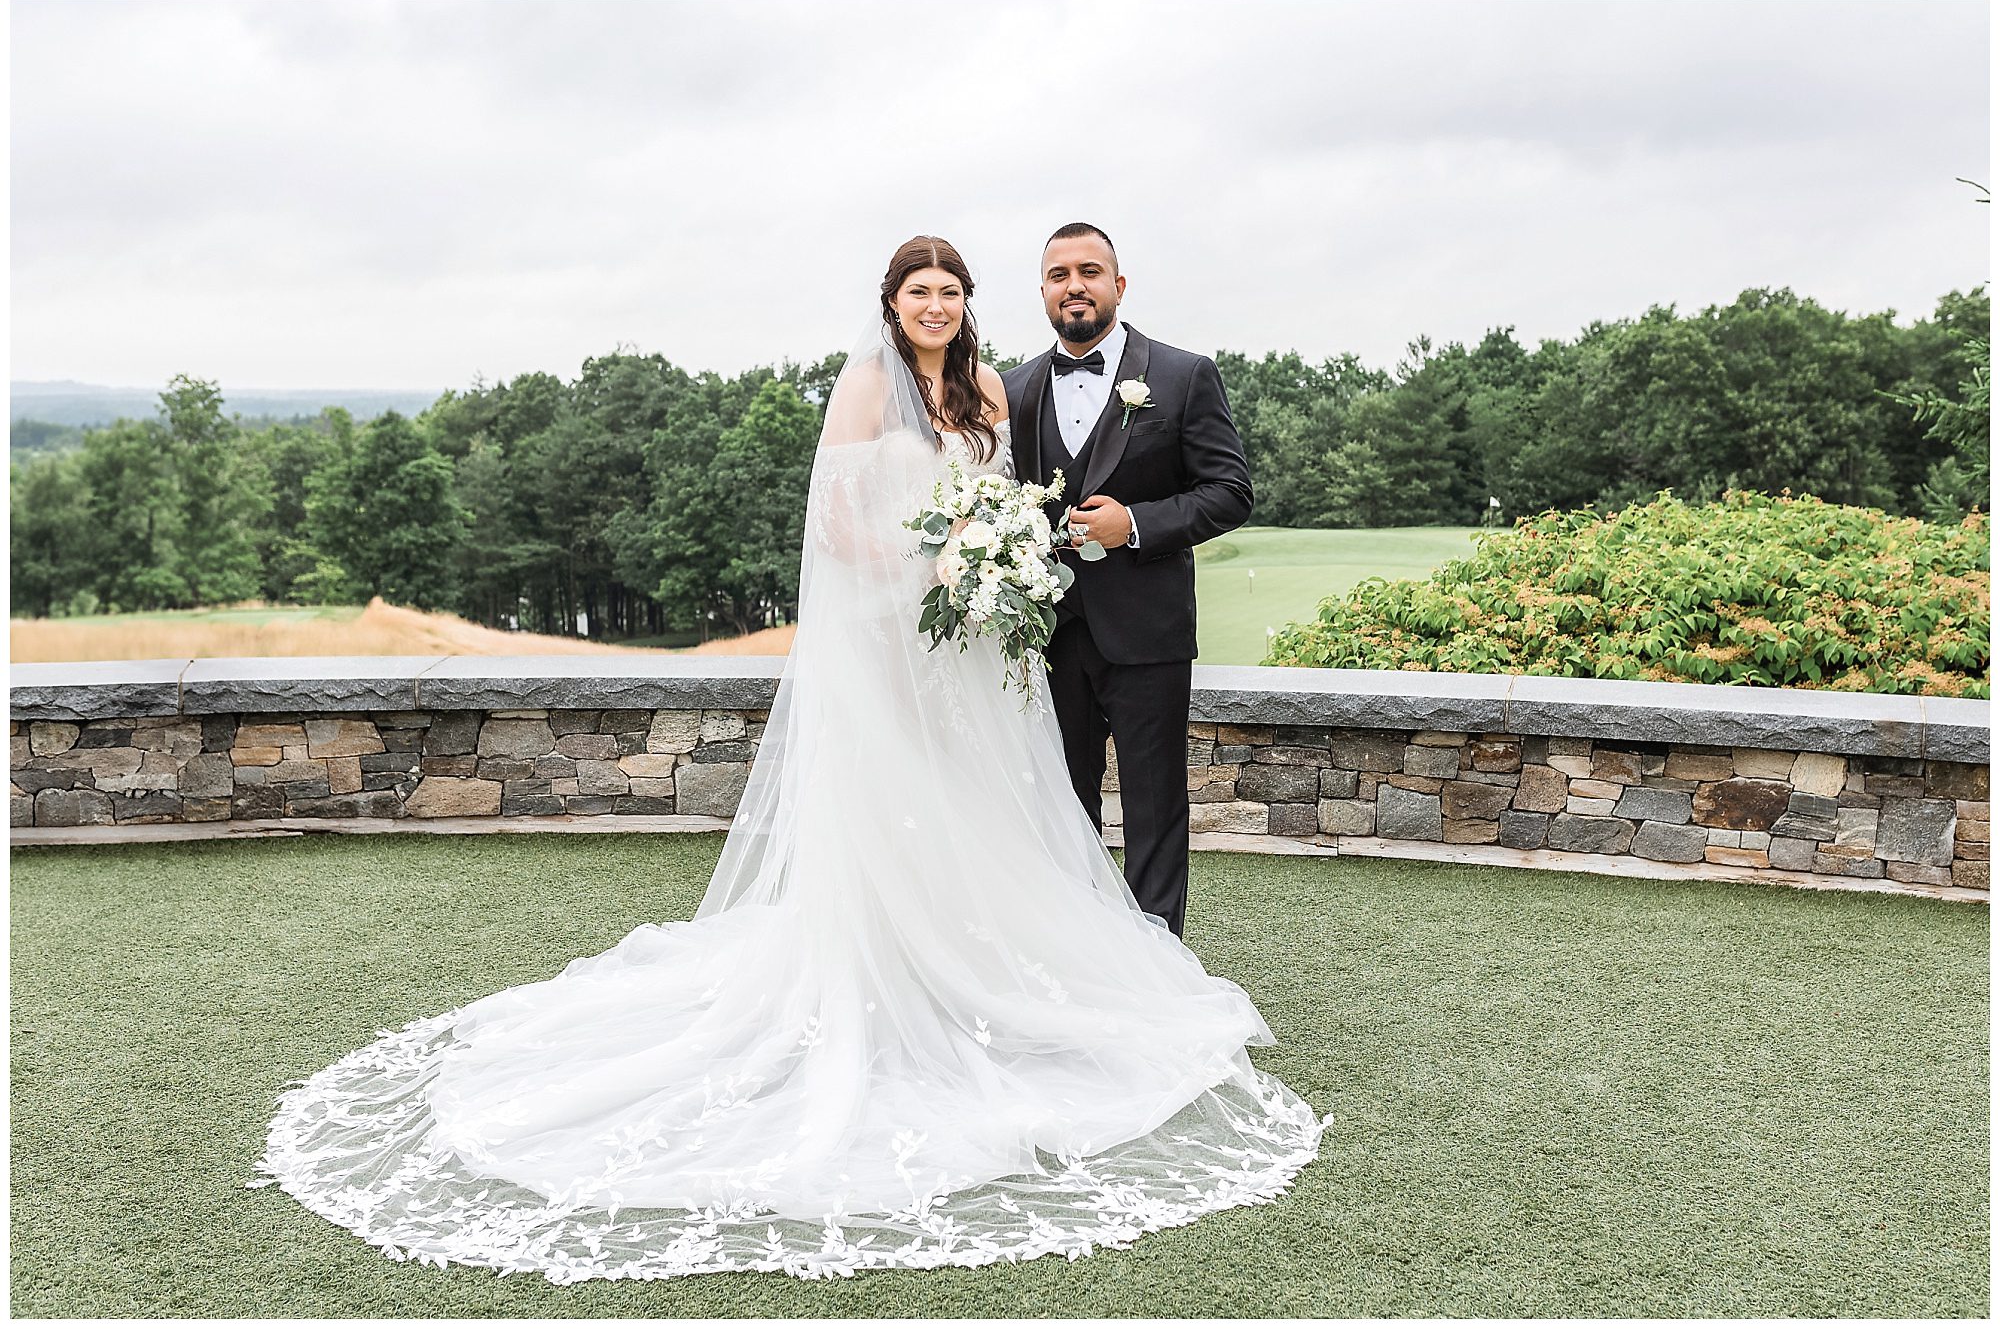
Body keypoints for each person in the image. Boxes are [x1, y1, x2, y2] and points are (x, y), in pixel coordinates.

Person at [253, 235, 1324, 1284]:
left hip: (987, 644)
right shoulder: (869, 387)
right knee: (900, 804)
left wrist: (992, 559)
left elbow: (1038, 501)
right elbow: (837, 523)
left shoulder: (1001, 392)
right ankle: (895, 984)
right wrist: (932, 566)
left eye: (953, 288)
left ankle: (1050, 975)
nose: (938, 304)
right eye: (921, 289)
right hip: (898, 630)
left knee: (998, 808)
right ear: (893, 300)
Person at [1003, 223, 1255, 938]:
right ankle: (1080, 959)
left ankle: (1158, 975)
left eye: (1089, 270)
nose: (1074, 285)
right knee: (1062, 810)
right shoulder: (1014, 387)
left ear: (1119, 283)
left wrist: (1134, 524)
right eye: (1058, 274)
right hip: (1049, 637)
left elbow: (1231, 491)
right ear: (1044, 291)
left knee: (1154, 812)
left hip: (1148, 635)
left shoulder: (1183, 374)